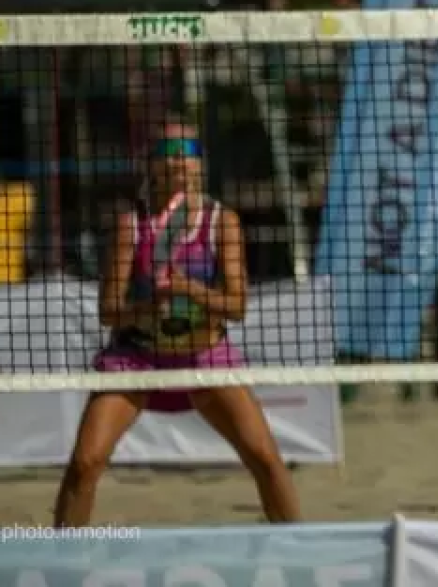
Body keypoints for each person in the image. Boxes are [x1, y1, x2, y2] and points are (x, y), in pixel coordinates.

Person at [55, 120, 299, 526]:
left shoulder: (222, 222)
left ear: (200, 165)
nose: (179, 159)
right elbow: (109, 310)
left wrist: (188, 289)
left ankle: (300, 549)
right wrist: (149, 305)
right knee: (85, 463)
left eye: (188, 150)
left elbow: (237, 306)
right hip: (137, 358)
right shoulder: (131, 224)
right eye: (168, 152)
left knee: (267, 461)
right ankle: (60, 560)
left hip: (204, 357)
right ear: (152, 166)